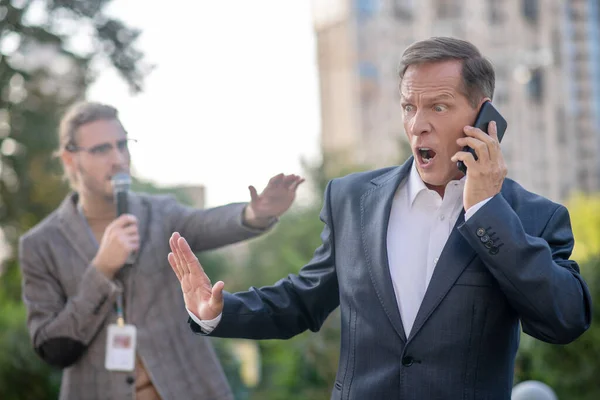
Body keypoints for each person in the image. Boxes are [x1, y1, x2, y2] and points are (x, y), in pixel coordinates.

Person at [167, 37, 592, 399]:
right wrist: (217, 313)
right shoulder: (351, 199)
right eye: (409, 107)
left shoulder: (532, 216)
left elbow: (564, 320)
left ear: (483, 115)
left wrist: (485, 211)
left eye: (439, 107)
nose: (418, 125)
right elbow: (302, 300)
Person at [18, 101, 304, 400]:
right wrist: (101, 269)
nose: (118, 159)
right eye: (101, 149)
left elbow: (208, 223)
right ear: (69, 159)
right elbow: (51, 346)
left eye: (122, 145)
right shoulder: (41, 245)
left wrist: (254, 214)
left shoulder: (160, 213)